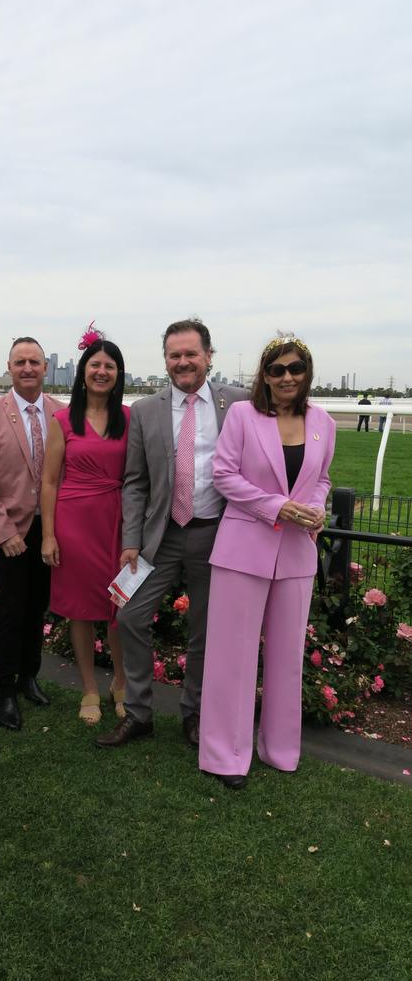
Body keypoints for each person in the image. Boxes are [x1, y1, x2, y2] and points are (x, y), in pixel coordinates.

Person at [95, 318, 248, 749]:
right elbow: (136, 481)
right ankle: (139, 713)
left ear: (208, 357)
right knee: (129, 616)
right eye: (174, 355)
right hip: (160, 537)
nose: (183, 362)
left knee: (206, 630)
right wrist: (130, 541)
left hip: (216, 535)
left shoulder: (237, 403)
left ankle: (194, 713)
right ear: (165, 359)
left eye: (191, 354)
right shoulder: (145, 410)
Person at [198, 336, 335, 789]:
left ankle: (279, 749)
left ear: (307, 372)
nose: (287, 377)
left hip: (297, 554)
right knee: (231, 658)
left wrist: (315, 507)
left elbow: (322, 478)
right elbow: (224, 475)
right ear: (265, 375)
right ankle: (224, 756)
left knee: (287, 658)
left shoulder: (324, 422)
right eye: (276, 370)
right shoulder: (243, 416)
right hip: (243, 550)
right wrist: (275, 506)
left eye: (295, 368)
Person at [0, 338, 64, 730]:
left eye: (35, 362)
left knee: (38, 605)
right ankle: (5, 690)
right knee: (11, 610)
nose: (28, 368)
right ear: (9, 367)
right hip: (9, 529)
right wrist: (3, 532)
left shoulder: (61, 413)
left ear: (45, 368)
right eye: (20, 362)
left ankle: (29, 677)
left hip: (50, 528)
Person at [41, 330, 129, 725]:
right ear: (82, 371)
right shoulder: (62, 420)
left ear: (118, 373)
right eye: (95, 364)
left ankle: (122, 683)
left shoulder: (130, 417)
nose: (102, 371)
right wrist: (48, 534)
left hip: (117, 521)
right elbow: (48, 481)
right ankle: (90, 687)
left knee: (120, 607)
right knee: (80, 610)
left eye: (109, 366)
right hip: (74, 522)